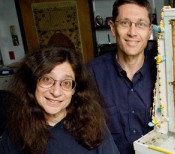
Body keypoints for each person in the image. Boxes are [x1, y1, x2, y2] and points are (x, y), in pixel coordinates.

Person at [0, 46, 119, 154]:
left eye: (66, 83)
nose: (56, 92)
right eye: (47, 79)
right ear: (32, 83)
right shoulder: (12, 135)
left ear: (74, 90)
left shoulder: (94, 125)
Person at [87, 0, 157, 153]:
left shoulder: (163, 71)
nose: (132, 32)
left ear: (149, 31)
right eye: (125, 23)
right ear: (113, 27)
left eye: (141, 24)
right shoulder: (92, 73)